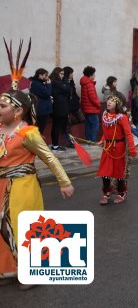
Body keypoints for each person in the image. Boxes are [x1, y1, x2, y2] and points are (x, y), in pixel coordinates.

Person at [0, 89, 74, 289]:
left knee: (19, 226)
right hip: (2, 185)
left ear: (18, 110)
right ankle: (10, 268)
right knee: (2, 228)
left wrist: (64, 182)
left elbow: (49, 157)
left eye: (2, 106)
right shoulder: (0, 129)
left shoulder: (28, 133)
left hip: (22, 186)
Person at [98, 95, 137, 205]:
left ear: (117, 104)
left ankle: (121, 193)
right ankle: (106, 193)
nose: (109, 102)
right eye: (108, 100)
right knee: (104, 172)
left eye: (112, 100)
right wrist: (102, 140)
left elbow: (128, 134)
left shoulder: (122, 117)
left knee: (119, 172)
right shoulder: (105, 115)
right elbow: (105, 132)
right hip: (107, 147)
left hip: (119, 148)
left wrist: (132, 149)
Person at [49, 67, 69, 152]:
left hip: (60, 107)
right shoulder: (56, 82)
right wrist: (65, 81)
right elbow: (67, 89)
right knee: (56, 126)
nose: (62, 76)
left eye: (63, 74)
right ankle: (55, 145)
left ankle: (55, 144)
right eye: (61, 74)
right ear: (56, 73)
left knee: (57, 126)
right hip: (58, 107)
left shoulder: (56, 82)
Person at [80, 66, 101, 142]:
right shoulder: (89, 84)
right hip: (92, 108)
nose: (94, 75)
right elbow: (93, 98)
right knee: (95, 125)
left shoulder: (84, 83)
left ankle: (88, 140)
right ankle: (92, 141)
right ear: (91, 75)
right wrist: (99, 104)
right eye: (94, 74)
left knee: (88, 125)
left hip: (86, 108)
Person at [63, 66, 83, 148]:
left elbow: (73, 93)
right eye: (71, 73)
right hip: (66, 105)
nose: (72, 75)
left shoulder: (71, 82)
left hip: (74, 105)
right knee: (67, 126)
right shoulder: (64, 82)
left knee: (82, 118)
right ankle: (69, 141)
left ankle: (69, 125)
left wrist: (77, 99)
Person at [28, 68, 52, 135]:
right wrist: (48, 85)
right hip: (41, 110)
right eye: (45, 75)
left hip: (44, 109)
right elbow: (47, 94)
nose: (47, 77)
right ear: (40, 75)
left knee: (41, 129)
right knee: (40, 129)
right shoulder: (36, 84)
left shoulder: (40, 83)